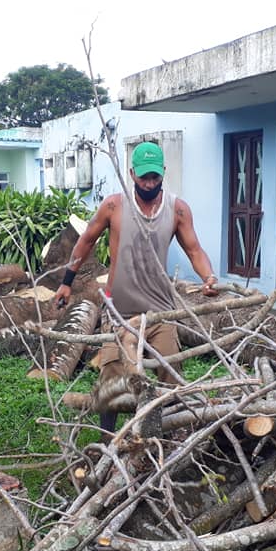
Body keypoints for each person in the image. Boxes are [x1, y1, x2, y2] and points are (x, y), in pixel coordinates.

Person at [54, 140, 219, 434]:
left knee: (169, 374)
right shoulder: (114, 205)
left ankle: (168, 438)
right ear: (131, 173)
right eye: (144, 177)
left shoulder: (177, 209)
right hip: (120, 310)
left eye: (155, 176)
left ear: (163, 173)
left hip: (160, 313)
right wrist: (66, 283)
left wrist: (209, 278)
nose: (149, 182)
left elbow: (195, 250)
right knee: (112, 379)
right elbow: (86, 241)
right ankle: (108, 444)